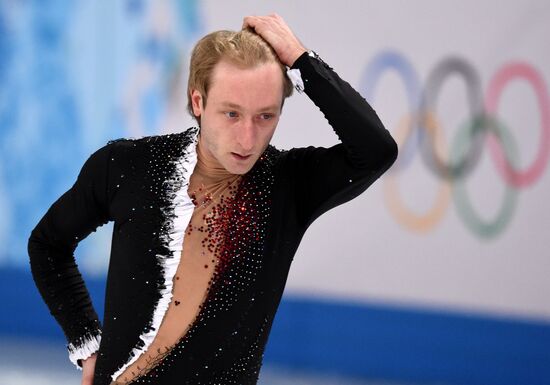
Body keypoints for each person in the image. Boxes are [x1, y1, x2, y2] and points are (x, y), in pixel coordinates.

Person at [28, 14, 397, 385]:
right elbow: (48, 245)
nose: (247, 139)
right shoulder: (127, 167)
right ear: (198, 101)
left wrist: (301, 59)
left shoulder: (289, 185)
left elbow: (377, 150)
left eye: (265, 116)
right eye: (231, 114)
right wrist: (87, 342)